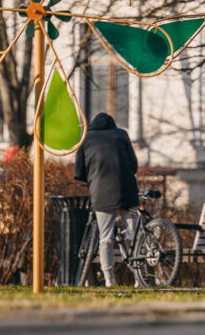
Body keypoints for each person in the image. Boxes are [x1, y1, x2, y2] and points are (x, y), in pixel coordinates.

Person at [74, 112, 139, 287]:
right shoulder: (121, 134)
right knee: (132, 234)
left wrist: (90, 179)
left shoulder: (86, 138)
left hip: (102, 193)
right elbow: (134, 165)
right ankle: (140, 277)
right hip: (127, 190)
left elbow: (78, 171)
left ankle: (110, 280)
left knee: (106, 237)